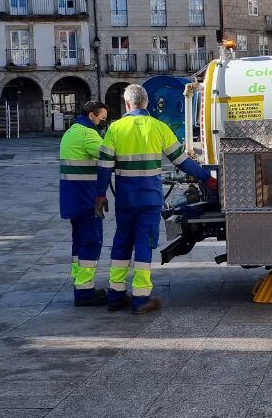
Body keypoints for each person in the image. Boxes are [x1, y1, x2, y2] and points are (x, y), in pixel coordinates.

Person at [95, 84, 214, 314]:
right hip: (150, 200)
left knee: (121, 242)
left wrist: (100, 195)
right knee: (143, 246)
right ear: (146, 103)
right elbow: (182, 162)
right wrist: (207, 178)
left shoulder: (115, 129)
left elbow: (104, 168)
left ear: (127, 104)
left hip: (125, 200)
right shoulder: (159, 127)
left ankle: (116, 295)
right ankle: (140, 299)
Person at [58, 101, 109, 306]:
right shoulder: (88, 135)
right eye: (102, 119)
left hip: (73, 199)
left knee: (79, 242)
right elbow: (108, 155)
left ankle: (80, 284)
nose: (103, 123)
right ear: (91, 116)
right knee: (92, 241)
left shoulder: (71, 132)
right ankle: (85, 292)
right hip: (86, 199)